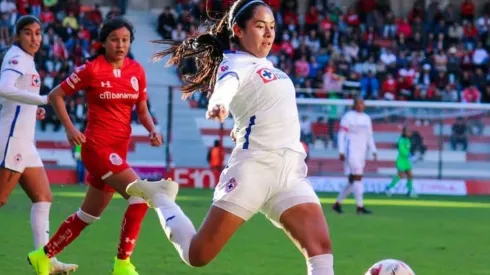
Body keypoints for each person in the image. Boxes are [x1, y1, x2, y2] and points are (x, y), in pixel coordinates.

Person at [127, 1, 335, 274]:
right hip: (254, 170)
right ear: (237, 29)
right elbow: (227, 85)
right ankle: (162, 197)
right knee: (197, 254)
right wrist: (219, 103)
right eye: (260, 26)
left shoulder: (268, 66)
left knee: (320, 250)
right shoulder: (234, 63)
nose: (269, 33)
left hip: (290, 173)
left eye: (272, 27)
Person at [27, 17, 163, 275]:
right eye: (114, 40)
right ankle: (122, 264)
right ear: (103, 42)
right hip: (97, 148)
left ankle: (43, 257)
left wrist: (152, 129)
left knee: (87, 216)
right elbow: (56, 95)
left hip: (119, 150)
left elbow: (142, 110)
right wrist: (70, 128)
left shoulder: (136, 71)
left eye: (125, 40)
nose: (120, 45)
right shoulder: (91, 69)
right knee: (141, 195)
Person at [0, 15, 78, 275]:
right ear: (17, 36)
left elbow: (17, 96)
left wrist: (33, 106)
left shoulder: (27, 60)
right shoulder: (16, 57)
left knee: (43, 197)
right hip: (12, 140)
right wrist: (42, 99)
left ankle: (45, 260)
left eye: (38, 33)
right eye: (28, 33)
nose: (34, 38)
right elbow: (4, 88)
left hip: (24, 142)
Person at [332, 97, 376, 215]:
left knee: (353, 181)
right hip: (350, 151)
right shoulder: (348, 117)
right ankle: (360, 206)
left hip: (362, 152)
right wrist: (341, 151)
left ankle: (337, 204)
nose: (361, 105)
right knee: (358, 177)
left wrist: (373, 150)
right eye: (359, 103)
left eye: (363, 103)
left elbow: (369, 136)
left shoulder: (367, 118)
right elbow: (341, 134)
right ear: (355, 105)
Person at [385, 127, 417, 197]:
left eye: (410, 132)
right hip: (401, 160)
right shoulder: (401, 140)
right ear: (404, 133)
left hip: (406, 161)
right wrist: (409, 155)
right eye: (408, 132)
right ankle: (388, 188)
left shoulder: (408, 140)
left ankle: (410, 190)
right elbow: (402, 151)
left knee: (410, 175)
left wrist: (411, 155)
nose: (410, 133)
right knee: (400, 175)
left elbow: (408, 150)